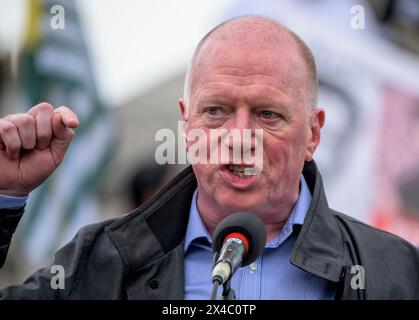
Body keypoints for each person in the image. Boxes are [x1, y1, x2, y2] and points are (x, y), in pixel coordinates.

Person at [0, 16, 418, 300]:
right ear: (186, 124)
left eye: (267, 114)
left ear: (313, 133)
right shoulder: (102, 262)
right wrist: (5, 196)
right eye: (215, 111)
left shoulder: (393, 270)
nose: (237, 138)